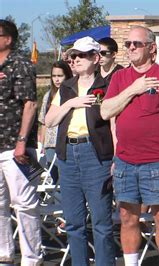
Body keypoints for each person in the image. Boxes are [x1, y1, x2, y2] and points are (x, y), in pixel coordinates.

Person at [100, 26, 159, 266]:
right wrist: (134, 89)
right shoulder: (120, 78)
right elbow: (106, 111)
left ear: (152, 48)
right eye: (128, 44)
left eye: (136, 44)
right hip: (126, 161)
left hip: (158, 161)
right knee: (128, 217)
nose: (130, 48)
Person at [45, 36, 115, 266]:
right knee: (74, 222)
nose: (75, 59)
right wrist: (70, 104)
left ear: (95, 58)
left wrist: (116, 157)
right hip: (68, 154)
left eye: (81, 55)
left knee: (102, 223)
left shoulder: (107, 85)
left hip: (96, 155)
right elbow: (49, 120)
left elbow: (114, 123)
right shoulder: (66, 88)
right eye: (73, 55)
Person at [0, 19, 42, 266]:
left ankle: (31, 258)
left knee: (24, 205)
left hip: (15, 147)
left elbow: (30, 103)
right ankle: (5, 254)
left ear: (8, 39)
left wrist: (21, 142)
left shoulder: (21, 63)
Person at [38, 61, 73, 183]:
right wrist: (41, 145)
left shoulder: (72, 94)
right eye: (54, 76)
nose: (57, 79)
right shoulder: (48, 96)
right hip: (50, 144)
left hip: (66, 142)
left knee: (67, 178)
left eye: (60, 76)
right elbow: (43, 122)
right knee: (54, 178)